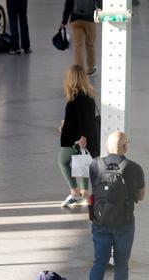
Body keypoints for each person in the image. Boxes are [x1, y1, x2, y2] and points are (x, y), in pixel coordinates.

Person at [84, 131, 145, 280]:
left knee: (99, 262)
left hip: (100, 222)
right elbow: (141, 196)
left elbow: (92, 189)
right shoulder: (134, 168)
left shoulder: (95, 164)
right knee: (121, 264)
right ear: (126, 147)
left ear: (107, 146)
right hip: (124, 224)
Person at [58, 65, 100, 208]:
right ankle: (84, 194)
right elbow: (79, 117)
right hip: (79, 136)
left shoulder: (78, 96)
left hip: (75, 138)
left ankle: (75, 193)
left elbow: (84, 120)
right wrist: (65, 123)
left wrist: (83, 137)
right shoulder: (86, 94)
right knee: (81, 162)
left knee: (63, 161)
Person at [61, 0, 101, 75]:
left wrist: (64, 21)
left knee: (78, 46)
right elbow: (99, 3)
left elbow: (68, 5)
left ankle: (79, 72)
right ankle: (90, 69)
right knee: (90, 45)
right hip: (90, 20)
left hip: (75, 20)